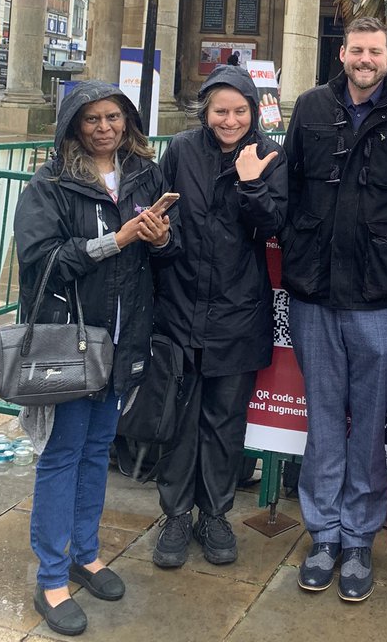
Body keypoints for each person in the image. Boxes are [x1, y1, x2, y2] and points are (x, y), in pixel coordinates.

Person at [282, 16, 387, 602]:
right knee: (323, 418)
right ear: (342, 53)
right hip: (315, 292)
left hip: (380, 296)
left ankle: (358, 539)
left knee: (370, 423)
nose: (365, 59)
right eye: (357, 49)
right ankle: (323, 534)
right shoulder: (310, 108)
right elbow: (291, 184)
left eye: (376, 50)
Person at [14, 81, 176, 636]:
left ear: (127, 123)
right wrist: (119, 240)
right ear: (72, 127)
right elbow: (42, 263)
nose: (104, 127)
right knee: (62, 454)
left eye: (113, 117)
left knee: (97, 449)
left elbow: (164, 253)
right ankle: (51, 576)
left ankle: (85, 553)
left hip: (124, 338)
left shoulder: (142, 175)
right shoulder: (50, 184)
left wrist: (157, 238)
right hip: (70, 342)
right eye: (91, 119)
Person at [151, 64, 286, 569]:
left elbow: (275, 222)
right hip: (183, 307)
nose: (230, 120)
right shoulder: (182, 150)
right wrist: (162, 240)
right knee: (181, 418)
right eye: (220, 111)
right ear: (206, 113)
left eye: (239, 110)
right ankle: (176, 514)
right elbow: (163, 217)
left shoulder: (270, 154)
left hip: (238, 310)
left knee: (225, 421)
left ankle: (215, 513)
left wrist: (252, 184)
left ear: (253, 111)